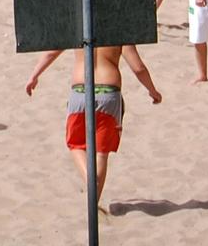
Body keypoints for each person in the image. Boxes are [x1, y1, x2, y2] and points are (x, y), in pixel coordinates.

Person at [24, 42, 161, 217]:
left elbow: (52, 51)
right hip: (109, 93)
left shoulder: (80, 25)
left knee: (76, 145)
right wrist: (152, 90)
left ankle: (91, 184)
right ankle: (93, 194)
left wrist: (34, 75)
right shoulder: (119, 28)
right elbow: (138, 67)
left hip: (80, 90)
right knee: (101, 153)